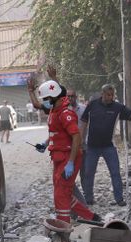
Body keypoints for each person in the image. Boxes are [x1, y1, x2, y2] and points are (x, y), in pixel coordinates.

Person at [35, 79, 101, 224]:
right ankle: (91, 217)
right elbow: (57, 135)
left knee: (61, 194)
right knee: (64, 192)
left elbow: (76, 138)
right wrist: (45, 144)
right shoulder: (54, 110)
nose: (45, 102)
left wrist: (70, 162)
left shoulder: (65, 114)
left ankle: (63, 225)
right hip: (59, 158)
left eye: (46, 99)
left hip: (68, 158)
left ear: (53, 97)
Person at [79, 84, 131, 206]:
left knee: (115, 172)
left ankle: (119, 198)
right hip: (92, 147)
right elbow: (83, 122)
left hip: (109, 146)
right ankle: (88, 198)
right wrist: (81, 141)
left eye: (112, 95)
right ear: (102, 93)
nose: (111, 97)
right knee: (88, 173)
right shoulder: (92, 105)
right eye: (108, 95)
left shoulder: (117, 107)